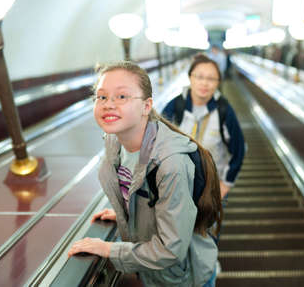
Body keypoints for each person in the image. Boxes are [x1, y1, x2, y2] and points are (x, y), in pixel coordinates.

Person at [67, 61, 222, 287]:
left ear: (146, 106)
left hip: (184, 277)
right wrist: (131, 208)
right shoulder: (115, 142)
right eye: (101, 97)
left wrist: (109, 248)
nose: (108, 104)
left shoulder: (170, 164)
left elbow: (170, 249)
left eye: (121, 97)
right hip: (155, 273)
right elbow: (141, 190)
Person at [162, 54, 245, 202]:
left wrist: (226, 184)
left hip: (211, 188)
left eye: (211, 78)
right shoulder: (174, 107)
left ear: (218, 82)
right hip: (177, 188)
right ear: (190, 78)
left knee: (209, 225)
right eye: (199, 77)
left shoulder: (224, 111)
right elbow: (156, 146)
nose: (204, 83)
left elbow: (239, 149)